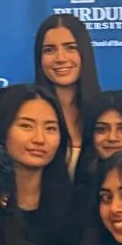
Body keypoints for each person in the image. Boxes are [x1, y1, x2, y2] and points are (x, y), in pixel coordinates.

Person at [0, 82, 77, 245]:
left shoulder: (75, 204)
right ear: (2, 129)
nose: (40, 139)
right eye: (26, 126)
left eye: (50, 128)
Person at [34, 13, 102, 174]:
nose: (60, 58)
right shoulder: (24, 111)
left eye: (70, 48)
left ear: (84, 53)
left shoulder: (103, 113)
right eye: (49, 50)